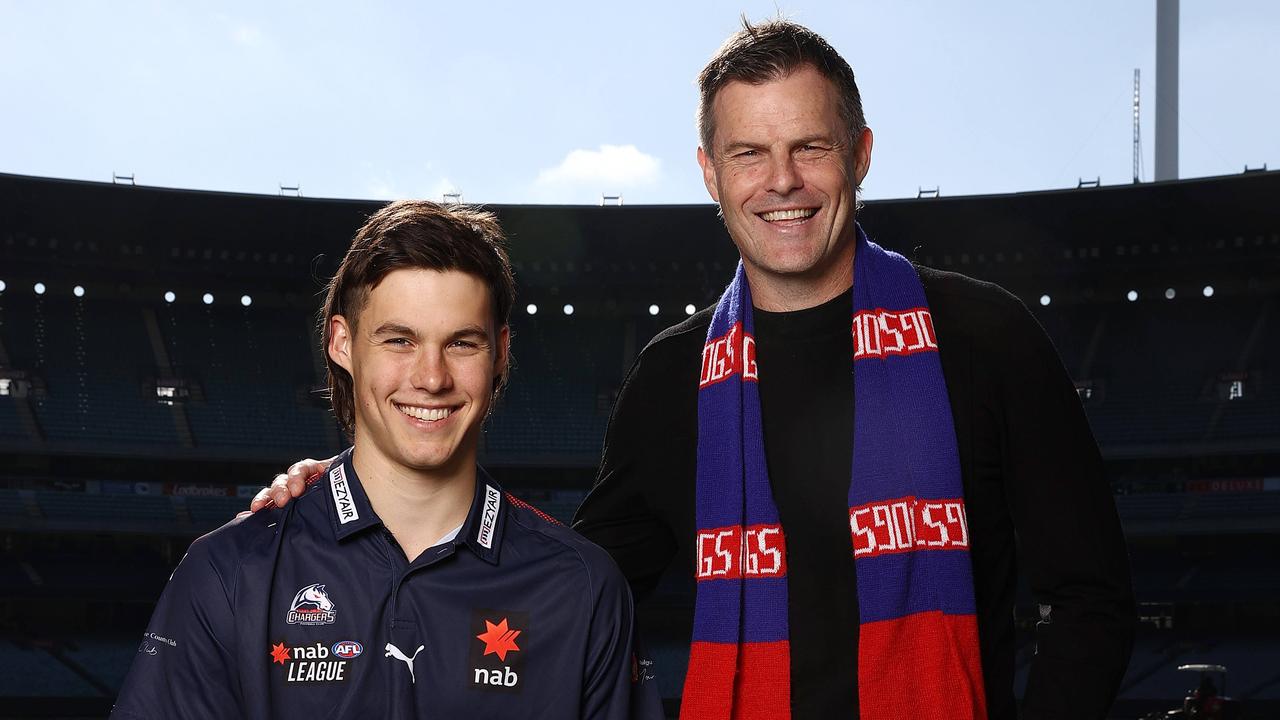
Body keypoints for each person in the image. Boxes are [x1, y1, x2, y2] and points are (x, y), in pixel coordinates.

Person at [255, 19, 1135, 720]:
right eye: (749, 154)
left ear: (861, 152)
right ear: (711, 174)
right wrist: (368, 489)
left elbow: (1092, 599)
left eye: (811, 148)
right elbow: (568, 585)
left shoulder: (984, 337)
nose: (781, 182)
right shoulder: (675, 377)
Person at [116, 201, 654, 719]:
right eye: (400, 340)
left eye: (462, 343)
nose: (431, 378)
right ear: (342, 343)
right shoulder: (231, 572)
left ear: (502, 351)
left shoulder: (583, 586)